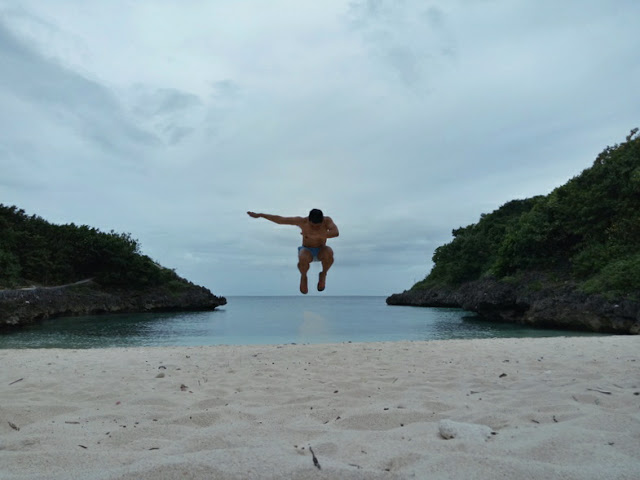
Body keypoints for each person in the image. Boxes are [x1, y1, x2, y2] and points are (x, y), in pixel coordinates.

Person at [247, 209, 339, 294]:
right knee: (302, 256)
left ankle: (323, 274)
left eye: (317, 226)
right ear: (309, 220)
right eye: (312, 226)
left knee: (329, 252)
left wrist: (316, 235)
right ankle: (303, 276)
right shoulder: (302, 221)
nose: (315, 228)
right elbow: (281, 220)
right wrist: (260, 215)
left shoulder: (327, 221)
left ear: (322, 221)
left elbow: (335, 232)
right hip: (307, 250)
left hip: (321, 249)